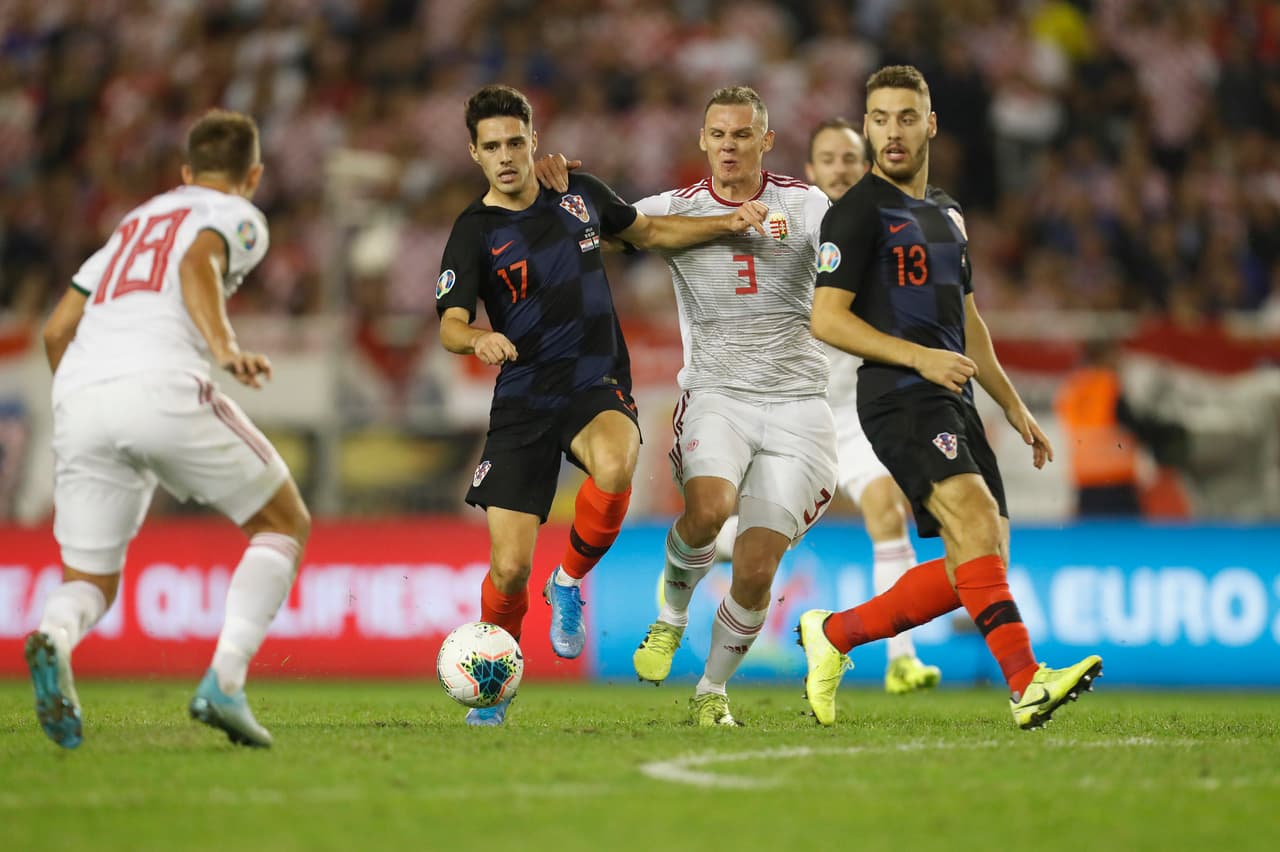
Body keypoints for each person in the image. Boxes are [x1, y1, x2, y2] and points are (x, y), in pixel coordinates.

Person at [436, 85, 767, 727]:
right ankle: (495, 692)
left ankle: (567, 581)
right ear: (474, 153)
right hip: (523, 397)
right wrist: (477, 338)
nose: (506, 157)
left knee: (617, 465)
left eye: (515, 142)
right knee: (508, 569)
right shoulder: (473, 231)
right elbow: (449, 323)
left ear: (533, 141)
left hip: (594, 382)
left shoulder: (578, 193)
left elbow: (649, 230)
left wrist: (726, 223)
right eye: (492, 147)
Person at [798, 65, 1102, 730]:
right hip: (899, 395)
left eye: (906, 118)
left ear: (930, 125)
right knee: (973, 518)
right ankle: (1027, 684)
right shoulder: (856, 213)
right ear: (867, 126)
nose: (892, 132)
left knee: (981, 557)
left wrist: (1012, 404)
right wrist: (917, 356)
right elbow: (827, 319)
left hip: (953, 397)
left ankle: (835, 634)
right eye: (880, 119)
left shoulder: (947, 212)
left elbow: (968, 319)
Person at [540, 86, 839, 727]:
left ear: (766, 141)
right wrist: (560, 190)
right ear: (703, 141)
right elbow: (598, 229)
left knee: (755, 570)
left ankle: (711, 689)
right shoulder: (672, 209)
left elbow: (854, 256)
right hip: (716, 395)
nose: (729, 146)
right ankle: (671, 616)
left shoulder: (808, 205)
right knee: (709, 509)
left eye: (742, 134)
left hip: (799, 406)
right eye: (718, 135)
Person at [26, 109, 310, 749]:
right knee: (283, 522)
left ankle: (52, 636)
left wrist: (85, 399)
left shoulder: (132, 223)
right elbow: (196, 262)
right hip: (159, 382)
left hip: (79, 394)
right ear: (253, 175)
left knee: (88, 582)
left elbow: (56, 329)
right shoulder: (235, 213)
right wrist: (225, 346)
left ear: (185, 172)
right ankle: (225, 682)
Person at [712, 117, 941, 696]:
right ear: (811, 170)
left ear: (866, 167)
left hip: (856, 412)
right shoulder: (785, 225)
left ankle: (901, 658)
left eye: (850, 159)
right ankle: (710, 545)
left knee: (887, 509)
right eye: (829, 159)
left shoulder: (889, 231)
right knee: (768, 536)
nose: (840, 168)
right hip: (795, 406)